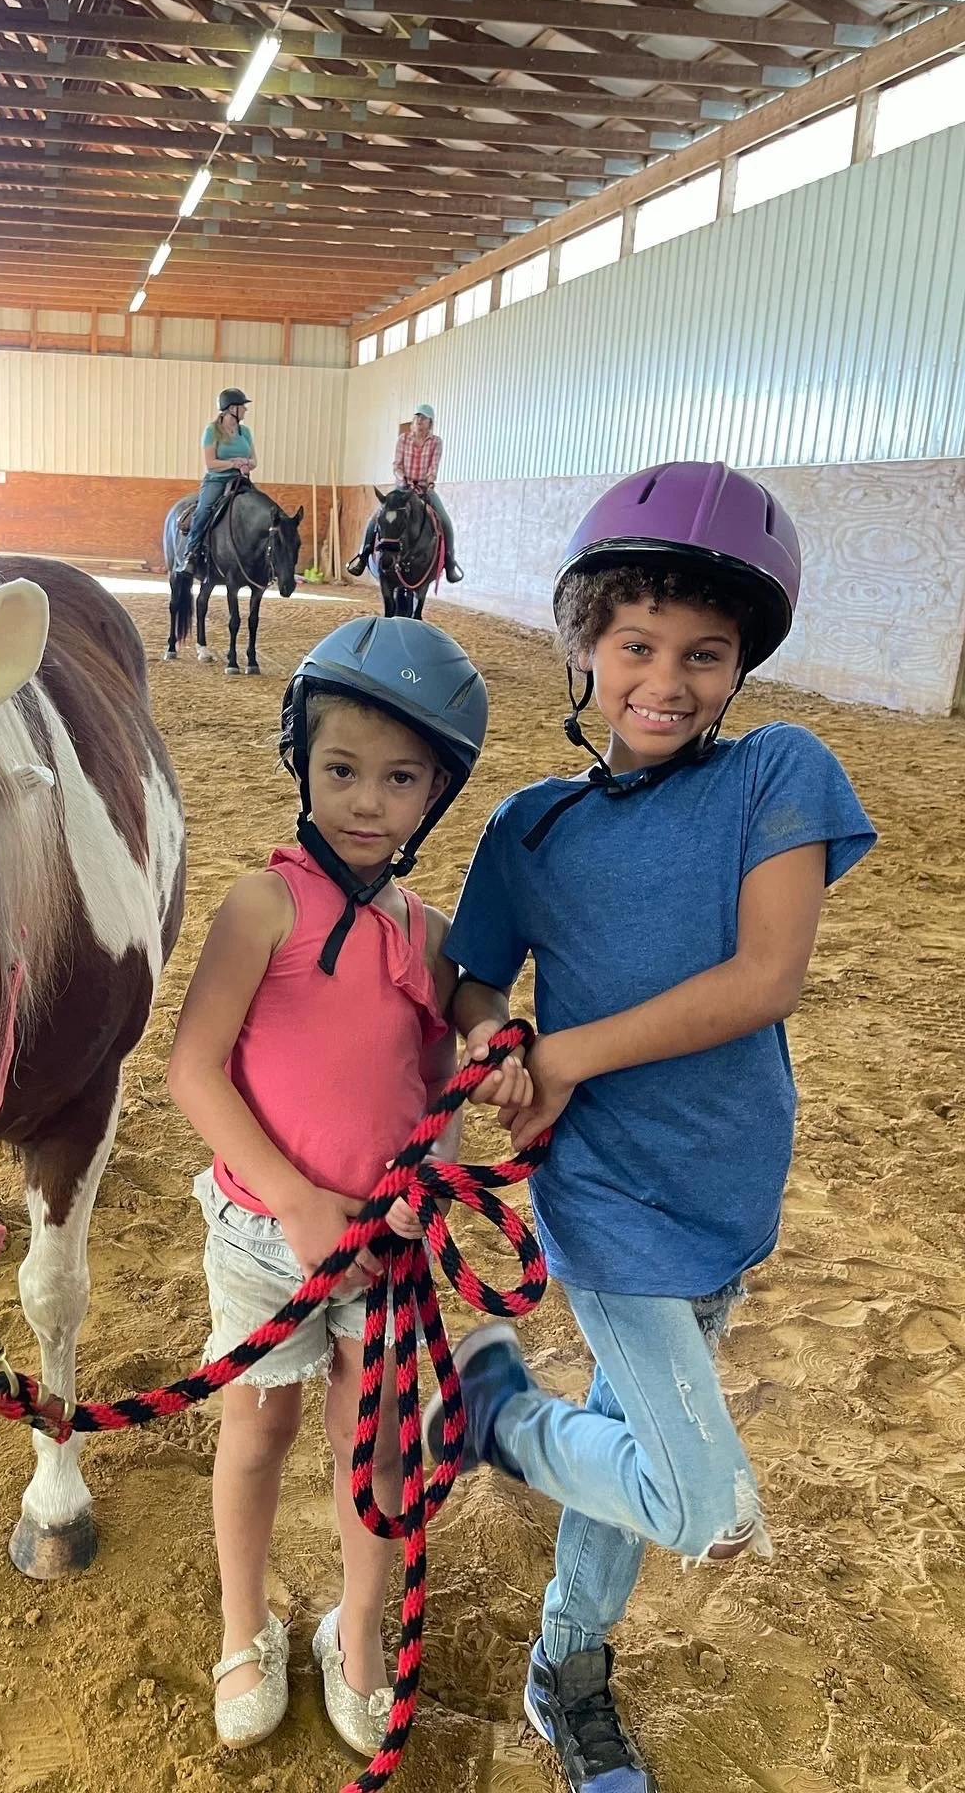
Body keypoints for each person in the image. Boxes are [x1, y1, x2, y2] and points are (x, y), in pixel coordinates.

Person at [424, 461, 877, 1793]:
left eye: (705, 652)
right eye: (635, 645)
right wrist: (493, 1043)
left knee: (628, 1445)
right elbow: (471, 983)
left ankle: (568, 1669)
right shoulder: (529, 826)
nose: (665, 680)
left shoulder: (780, 773)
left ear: (743, 665)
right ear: (584, 646)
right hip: (607, 1202)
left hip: (728, 1189)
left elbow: (763, 978)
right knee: (701, 1501)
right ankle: (497, 1407)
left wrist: (560, 1049)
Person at [168, 616, 525, 1756]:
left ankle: (357, 1632)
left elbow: (465, 1008)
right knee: (259, 1431)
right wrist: (293, 1196)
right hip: (267, 1236)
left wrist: (490, 1037)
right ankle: (243, 1624)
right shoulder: (259, 907)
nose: (367, 802)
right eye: (342, 771)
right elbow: (193, 1069)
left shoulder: (424, 929)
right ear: (303, 765)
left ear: (435, 792)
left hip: (390, 1243)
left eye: (399, 778)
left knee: (373, 1448)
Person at [348, 403, 464, 584]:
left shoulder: (436, 442)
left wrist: (430, 481)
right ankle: (363, 555)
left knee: (445, 521)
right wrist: (404, 480)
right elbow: (397, 465)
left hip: (424, 489)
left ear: (430, 422)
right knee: (376, 517)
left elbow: (433, 465)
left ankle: (449, 562)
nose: (419, 421)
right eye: (417, 417)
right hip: (402, 488)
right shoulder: (403, 439)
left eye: (423, 418)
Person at [175, 388, 257, 574]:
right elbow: (211, 463)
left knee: (260, 508)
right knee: (204, 510)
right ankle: (191, 553)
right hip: (217, 480)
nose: (245, 410)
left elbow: (254, 461)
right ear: (231, 409)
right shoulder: (212, 431)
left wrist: (246, 464)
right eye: (243, 406)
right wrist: (233, 464)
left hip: (240, 480)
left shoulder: (245, 432)